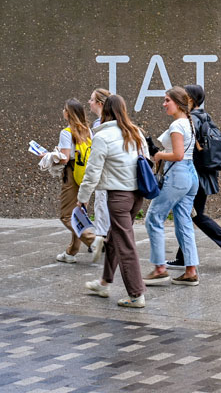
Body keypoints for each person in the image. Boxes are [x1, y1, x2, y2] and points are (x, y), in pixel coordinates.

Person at [78, 95, 149, 308]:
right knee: (114, 238)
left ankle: (136, 294)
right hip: (137, 194)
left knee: (125, 244)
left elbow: (92, 172)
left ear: (106, 110)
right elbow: (145, 160)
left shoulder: (103, 136)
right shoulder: (135, 132)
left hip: (118, 196)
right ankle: (104, 282)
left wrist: (82, 199)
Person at [166, 85, 221, 270]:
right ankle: (183, 257)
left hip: (194, 175)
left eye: (184, 98)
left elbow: (184, 151)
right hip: (204, 175)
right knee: (189, 214)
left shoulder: (190, 120)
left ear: (190, 100)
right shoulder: (206, 117)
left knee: (194, 214)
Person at [143, 86, 201, 286]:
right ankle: (190, 270)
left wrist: (158, 155)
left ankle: (160, 269)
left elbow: (177, 155)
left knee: (153, 218)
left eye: (167, 100)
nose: (164, 104)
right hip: (191, 176)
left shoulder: (177, 126)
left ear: (178, 103)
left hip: (178, 175)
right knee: (184, 221)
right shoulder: (188, 123)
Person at [54, 99, 96, 264]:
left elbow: (64, 159)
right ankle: (71, 252)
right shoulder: (88, 131)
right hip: (85, 174)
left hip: (71, 173)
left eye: (64, 109)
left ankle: (94, 240)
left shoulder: (66, 132)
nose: (63, 111)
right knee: (79, 213)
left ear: (68, 113)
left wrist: (48, 156)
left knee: (66, 215)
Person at [87, 87, 112, 263]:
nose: (89, 102)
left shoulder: (99, 125)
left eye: (91, 99)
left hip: (104, 171)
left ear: (99, 103)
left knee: (102, 204)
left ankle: (103, 239)